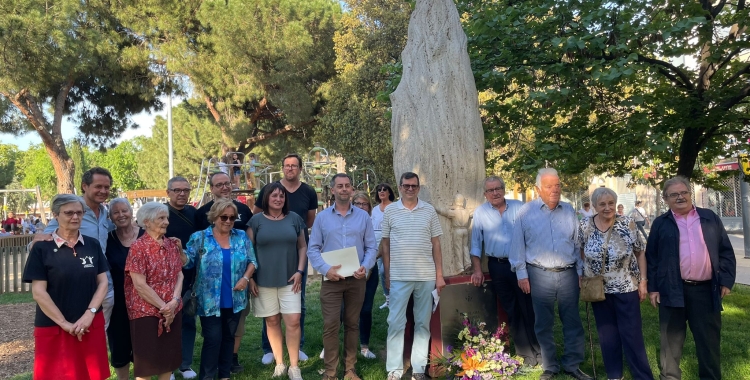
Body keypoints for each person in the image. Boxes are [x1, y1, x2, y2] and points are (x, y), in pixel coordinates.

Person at [646, 176, 736, 380]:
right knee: (670, 344)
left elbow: (725, 252)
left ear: (690, 193)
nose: (680, 197)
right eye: (674, 194)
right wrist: (653, 288)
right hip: (671, 290)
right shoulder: (661, 223)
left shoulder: (709, 217)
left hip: (705, 291)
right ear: (666, 199)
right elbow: (652, 258)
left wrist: (726, 280)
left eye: (684, 192)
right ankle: (670, 377)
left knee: (709, 342)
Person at [509, 168, 591, 380]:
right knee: (543, 322)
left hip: (568, 274)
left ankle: (572, 364)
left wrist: (580, 271)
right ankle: (550, 366)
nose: (555, 190)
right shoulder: (525, 213)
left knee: (572, 320)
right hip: (539, 274)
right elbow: (517, 246)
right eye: (549, 186)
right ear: (538, 189)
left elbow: (576, 244)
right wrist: (521, 275)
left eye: (557, 185)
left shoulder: (569, 210)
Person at [22, 194, 111, 380]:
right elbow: (39, 292)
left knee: (92, 374)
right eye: (69, 213)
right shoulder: (42, 249)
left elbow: (102, 283)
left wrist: (90, 313)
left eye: (79, 212)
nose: (75, 217)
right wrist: (65, 324)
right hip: (54, 325)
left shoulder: (92, 245)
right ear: (56, 215)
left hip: (89, 324)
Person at [308, 174, 377, 380]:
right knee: (330, 325)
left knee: (352, 323)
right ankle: (330, 372)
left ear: (352, 189)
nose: (344, 189)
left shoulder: (363, 217)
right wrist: (325, 269)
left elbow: (371, 247)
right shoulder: (322, 218)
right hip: (331, 280)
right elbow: (313, 249)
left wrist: (365, 266)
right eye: (340, 186)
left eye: (347, 186)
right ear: (333, 190)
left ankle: (349, 370)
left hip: (356, 279)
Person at [578, 188, 653, 380]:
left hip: (626, 287)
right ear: (594, 206)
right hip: (598, 289)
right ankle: (614, 375)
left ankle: (642, 376)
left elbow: (640, 252)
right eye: (602, 204)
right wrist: (584, 274)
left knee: (632, 335)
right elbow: (582, 251)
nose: (607, 207)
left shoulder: (627, 223)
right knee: (607, 335)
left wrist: (643, 281)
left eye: (611, 203)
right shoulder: (585, 225)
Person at [251, 153, 318, 364]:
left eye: (294, 166)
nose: (290, 169)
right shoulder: (268, 190)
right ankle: (269, 349)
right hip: (267, 261)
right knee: (270, 311)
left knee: (299, 305)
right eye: (287, 165)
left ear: (300, 168)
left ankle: (297, 347)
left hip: (294, 256)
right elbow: (256, 218)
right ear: (283, 168)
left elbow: (308, 221)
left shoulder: (308, 192)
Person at [470, 176, 541, 367]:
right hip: (497, 267)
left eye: (498, 188)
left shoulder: (520, 207)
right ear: (485, 194)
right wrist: (477, 270)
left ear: (504, 189)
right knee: (511, 309)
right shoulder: (480, 213)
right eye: (490, 190)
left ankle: (540, 351)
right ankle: (526, 354)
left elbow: (533, 236)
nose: (495, 193)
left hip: (522, 266)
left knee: (529, 307)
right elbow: (476, 245)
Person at [184, 198, 257, 380]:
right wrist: (179, 252)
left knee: (228, 338)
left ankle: (224, 375)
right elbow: (187, 263)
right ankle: (207, 376)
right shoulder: (200, 238)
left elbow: (253, 261)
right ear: (214, 217)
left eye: (232, 218)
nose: (228, 221)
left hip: (235, 297)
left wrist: (246, 278)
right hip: (209, 299)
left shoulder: (241, 236)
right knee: (213, 339)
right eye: (224, 217)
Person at [382, 172, 445, 380]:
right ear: (399, 187)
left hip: (426, 276)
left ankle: (418, 369)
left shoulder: (429, 211)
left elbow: (436, 244)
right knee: (395, 322)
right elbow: (386, 244)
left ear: (419, 187)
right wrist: (388, 274)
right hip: (399, 276)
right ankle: (394, 369)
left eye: (414, 186)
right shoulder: (390, 211)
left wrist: (439, 275)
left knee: (422, 323)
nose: (410, 189)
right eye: (406, 185)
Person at [36, 167, 116, 330]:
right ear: (84, 186)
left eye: (106, 187)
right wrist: (37, 238)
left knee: (99, 331)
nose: (103, 191)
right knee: (77, 329)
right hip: (78, 284)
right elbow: (45, 238)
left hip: (103, 282)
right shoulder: (72, 210)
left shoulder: (104, 213)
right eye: (98, 186)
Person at [246, 182, 307, 380]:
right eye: (274, 196)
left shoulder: (294, 219)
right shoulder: (255, 221)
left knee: (294, 321)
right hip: (263, 280)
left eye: (281, 196)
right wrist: (251, 278)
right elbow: (249, 251)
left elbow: (302, 247)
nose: (278, 199)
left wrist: (300, 271)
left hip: (291, 279)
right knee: (272, 321)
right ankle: (280, 363)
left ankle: (294, 366)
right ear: (266, 198)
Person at [125, 202, 184, 380]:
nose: (166, 222)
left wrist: (173, 302)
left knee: (168, 360)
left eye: (166, 218)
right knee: (147, 365)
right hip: (146, 312)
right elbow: (139, 284)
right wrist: (164, 307)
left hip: (173, 309)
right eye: (161, 218)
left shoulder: (171, 244)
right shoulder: (138, 247)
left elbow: (179, 275)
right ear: (146, 222)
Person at [163, 176, 200, 379]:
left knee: (188, 320)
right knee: (166, 322)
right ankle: (167, 366)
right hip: (163, 278)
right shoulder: (159, 213)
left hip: (188, 276)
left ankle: (185, 364)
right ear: (168, 192)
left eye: (186, 190)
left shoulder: (194, 214)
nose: (182, 194)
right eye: (177, 190)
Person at [106, 198, 145, 380]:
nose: (121, 215)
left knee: (143, 347)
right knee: (119, 346)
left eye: (124, 211)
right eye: (116, 212)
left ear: (131, 212)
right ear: (111, 217)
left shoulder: (146, 236)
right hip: (118, 303)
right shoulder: (108, 240)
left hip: (145, 302)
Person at [351, 191, 380, 359]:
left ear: (369, 207)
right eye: (358, 204)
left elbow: (376, 246)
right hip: (349, 270)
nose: (361, 207)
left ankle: (364, 347)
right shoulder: (346, 221)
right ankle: (330, 345)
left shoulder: (374, 221)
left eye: (365, 204)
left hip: (369, 269)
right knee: (342, 309)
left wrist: (367, 266)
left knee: (366, 309)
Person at [371, 183, 395, 309]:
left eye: (385, 189)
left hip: (389, 241)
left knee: (384, 270)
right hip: (375, 241)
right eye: (379, 190)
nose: (382, 191)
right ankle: (388, 299)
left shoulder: (395, 207)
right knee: (381, 272)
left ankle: (394, 297)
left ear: (389, 192)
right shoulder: (374, 209)